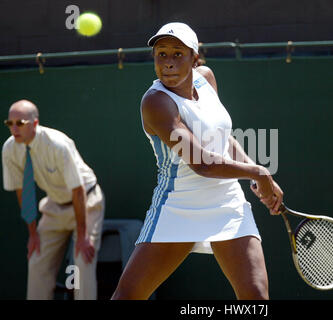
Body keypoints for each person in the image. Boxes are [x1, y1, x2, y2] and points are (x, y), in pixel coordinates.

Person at [111, 22, 283, 300]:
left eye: (178, 53)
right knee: (128, 296)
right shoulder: (156, 102)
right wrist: (258, 172)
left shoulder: (206, 79)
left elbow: (222, 139)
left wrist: (256, 175)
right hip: (179, 206)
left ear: (195, 57)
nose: (168, 62)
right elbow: (201, 163)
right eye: (161, 54)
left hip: (227, 202)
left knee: (256, 297)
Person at [2, 100, 105, 300]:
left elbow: (78, 190)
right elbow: (23, 192)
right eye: (10, 123)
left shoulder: (58, 144)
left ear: (35, 123)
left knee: (82, 263)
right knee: (36, 259)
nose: (14, 129)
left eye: (20, 123)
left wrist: (82, 236)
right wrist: (33, 234)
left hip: (86, 202)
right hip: (54, 205)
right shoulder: (9, 149)